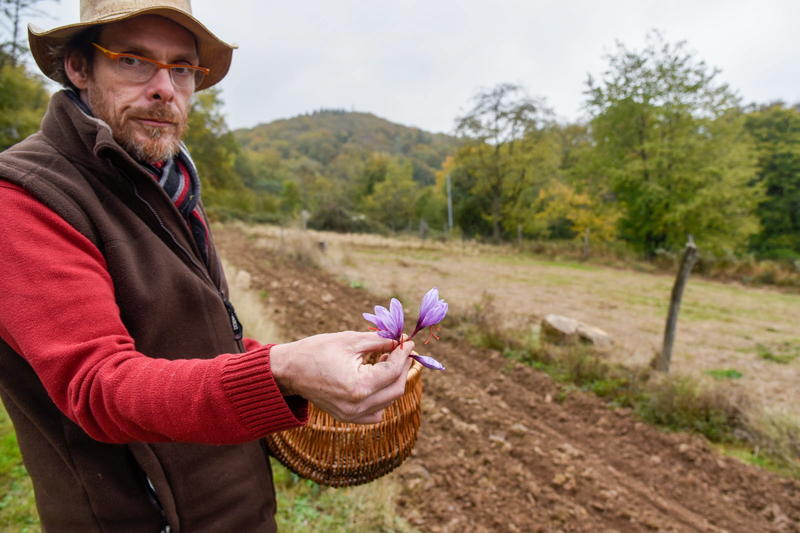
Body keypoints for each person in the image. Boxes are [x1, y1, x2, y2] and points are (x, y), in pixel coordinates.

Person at [0, 1, 414, 531]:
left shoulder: (168, 183)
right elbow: (99, 386)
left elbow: (201, 342)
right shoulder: (29, 196)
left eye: (181, 68)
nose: (164, 88)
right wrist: (280, 370)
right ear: (80, 67)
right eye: (132, 60)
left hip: (235, 510)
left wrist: (299, 365)